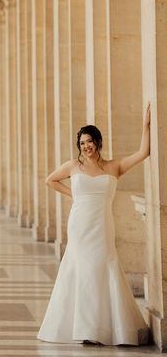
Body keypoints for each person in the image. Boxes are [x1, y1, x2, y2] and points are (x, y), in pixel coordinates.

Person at [37, 104, 151, 346]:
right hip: (80, 224)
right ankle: (87, 330)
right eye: (82, 144)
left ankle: (110, 327)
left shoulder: (114, 166)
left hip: (102, 225)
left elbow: (143, 153)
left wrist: (146, 126)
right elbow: (50, 180)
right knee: (84, 270)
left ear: (98, 142)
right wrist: (73, 195)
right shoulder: (73, 166)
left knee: (103, 267)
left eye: (89, 141)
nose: (86, 146)